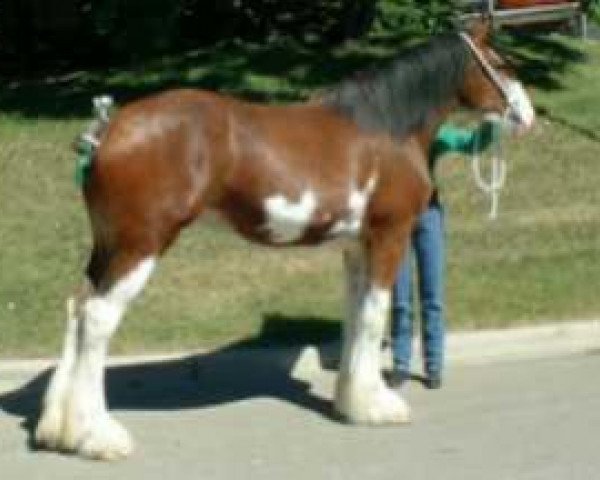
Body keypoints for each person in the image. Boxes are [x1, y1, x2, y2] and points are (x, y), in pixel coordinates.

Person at [387, 119, 501, 389]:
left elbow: (471, 144)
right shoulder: (391, 132)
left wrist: (490, 126)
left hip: (429, 214)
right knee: (400, 297)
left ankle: (433, 364)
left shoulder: (433, 133)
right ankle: (401, 364)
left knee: (433, 295)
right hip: (398, 217)